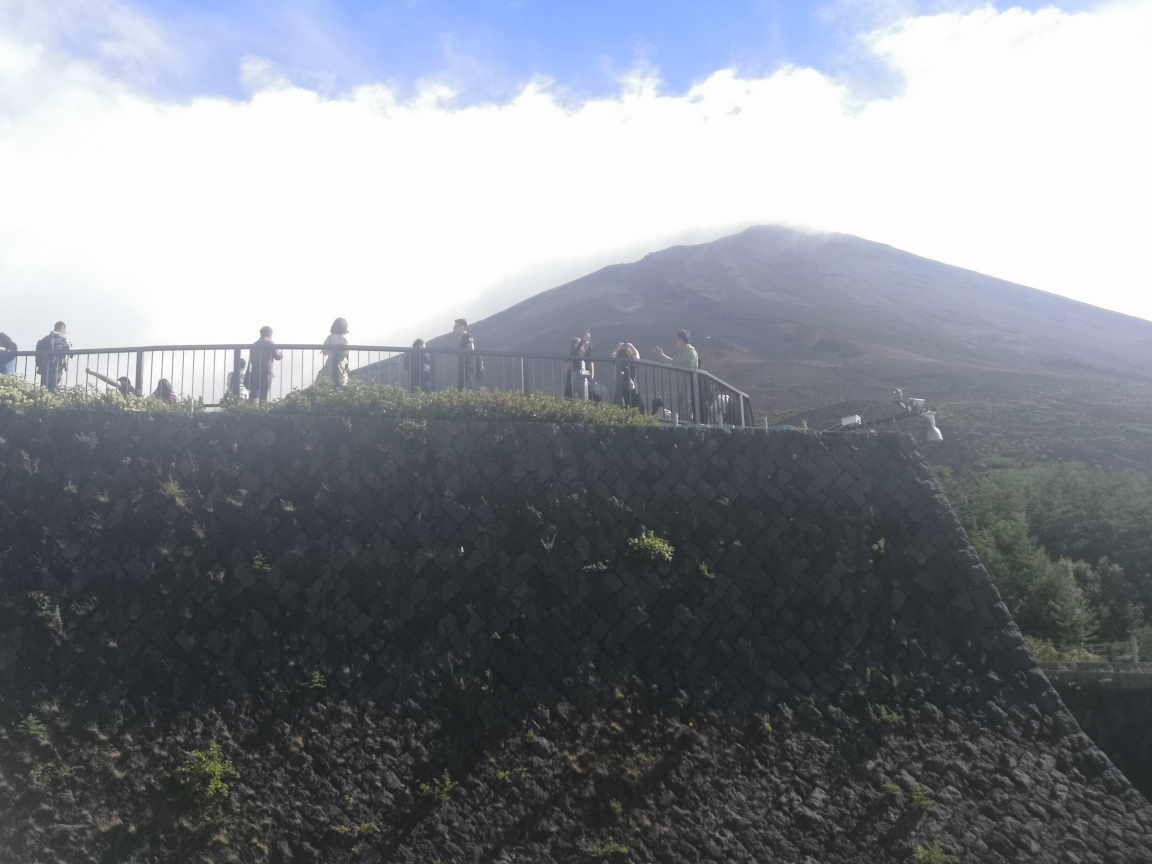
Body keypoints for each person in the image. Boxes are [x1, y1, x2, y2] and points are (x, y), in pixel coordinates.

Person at [653, 329, 699, 422]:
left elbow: (689, 366)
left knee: (686, 404)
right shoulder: (681, 352)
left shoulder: (691, 351)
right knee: (681, 404)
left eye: (677, 339)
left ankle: (689, 423)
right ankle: (684, 422)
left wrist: (677, 366)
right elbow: (673, 362)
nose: (676, 341)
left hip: (687, 381)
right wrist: (662, 355)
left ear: (681, 339)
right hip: (679, 381)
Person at [35, 322, 72, 393]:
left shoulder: (46, 338)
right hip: (57, 367)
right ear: (62, 329)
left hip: (45, 368)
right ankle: (50, 402)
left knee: (44, 389)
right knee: (53, 389)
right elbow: (70, 352)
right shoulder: (62, 338)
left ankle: (43, 401)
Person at [248, 326, 283, 401]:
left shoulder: (254, 344)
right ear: (270, 334)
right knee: (263, 394)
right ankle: (262, 410)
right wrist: (280, 353)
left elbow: (251, 359)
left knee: (253, 394)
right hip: (266, 371)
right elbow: (277, 356)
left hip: (255, 371)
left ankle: (249, 409)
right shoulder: (270, 343)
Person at [316, 318, 350, 387]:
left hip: (329, 363)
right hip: (340, 363)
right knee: (341, 382)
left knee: (325, 382)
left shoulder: (329, 337)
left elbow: (325, 351)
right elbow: (345, 354)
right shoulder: (343, 339)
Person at [453, 318, 480, 391]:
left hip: (468, 367)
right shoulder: (464, 338)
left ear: (462, 327)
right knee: (469, 390)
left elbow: (471, 348)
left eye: (455, 327)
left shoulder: (467, 336)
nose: (454, 329)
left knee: (464, 389)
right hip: (465, 367)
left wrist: (460, 351)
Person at [613, 342, 642, 410]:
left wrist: (618, 347)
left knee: (619, 409)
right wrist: (630, 345)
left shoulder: (616, 364)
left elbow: (613, 356)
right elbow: (637, 354)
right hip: (631, 389)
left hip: (619, 389)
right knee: (634, 408)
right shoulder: (632, 363)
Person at [570, 333, 594, 400]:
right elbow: (577, 349)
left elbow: (590, 352)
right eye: (584, 345)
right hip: (576, 376)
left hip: (584, 378)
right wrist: (583, 339)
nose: (585, 347)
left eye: (587, 345)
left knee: (585, 395)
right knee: (576, 395)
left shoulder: (586, 356)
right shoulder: (575, 353)